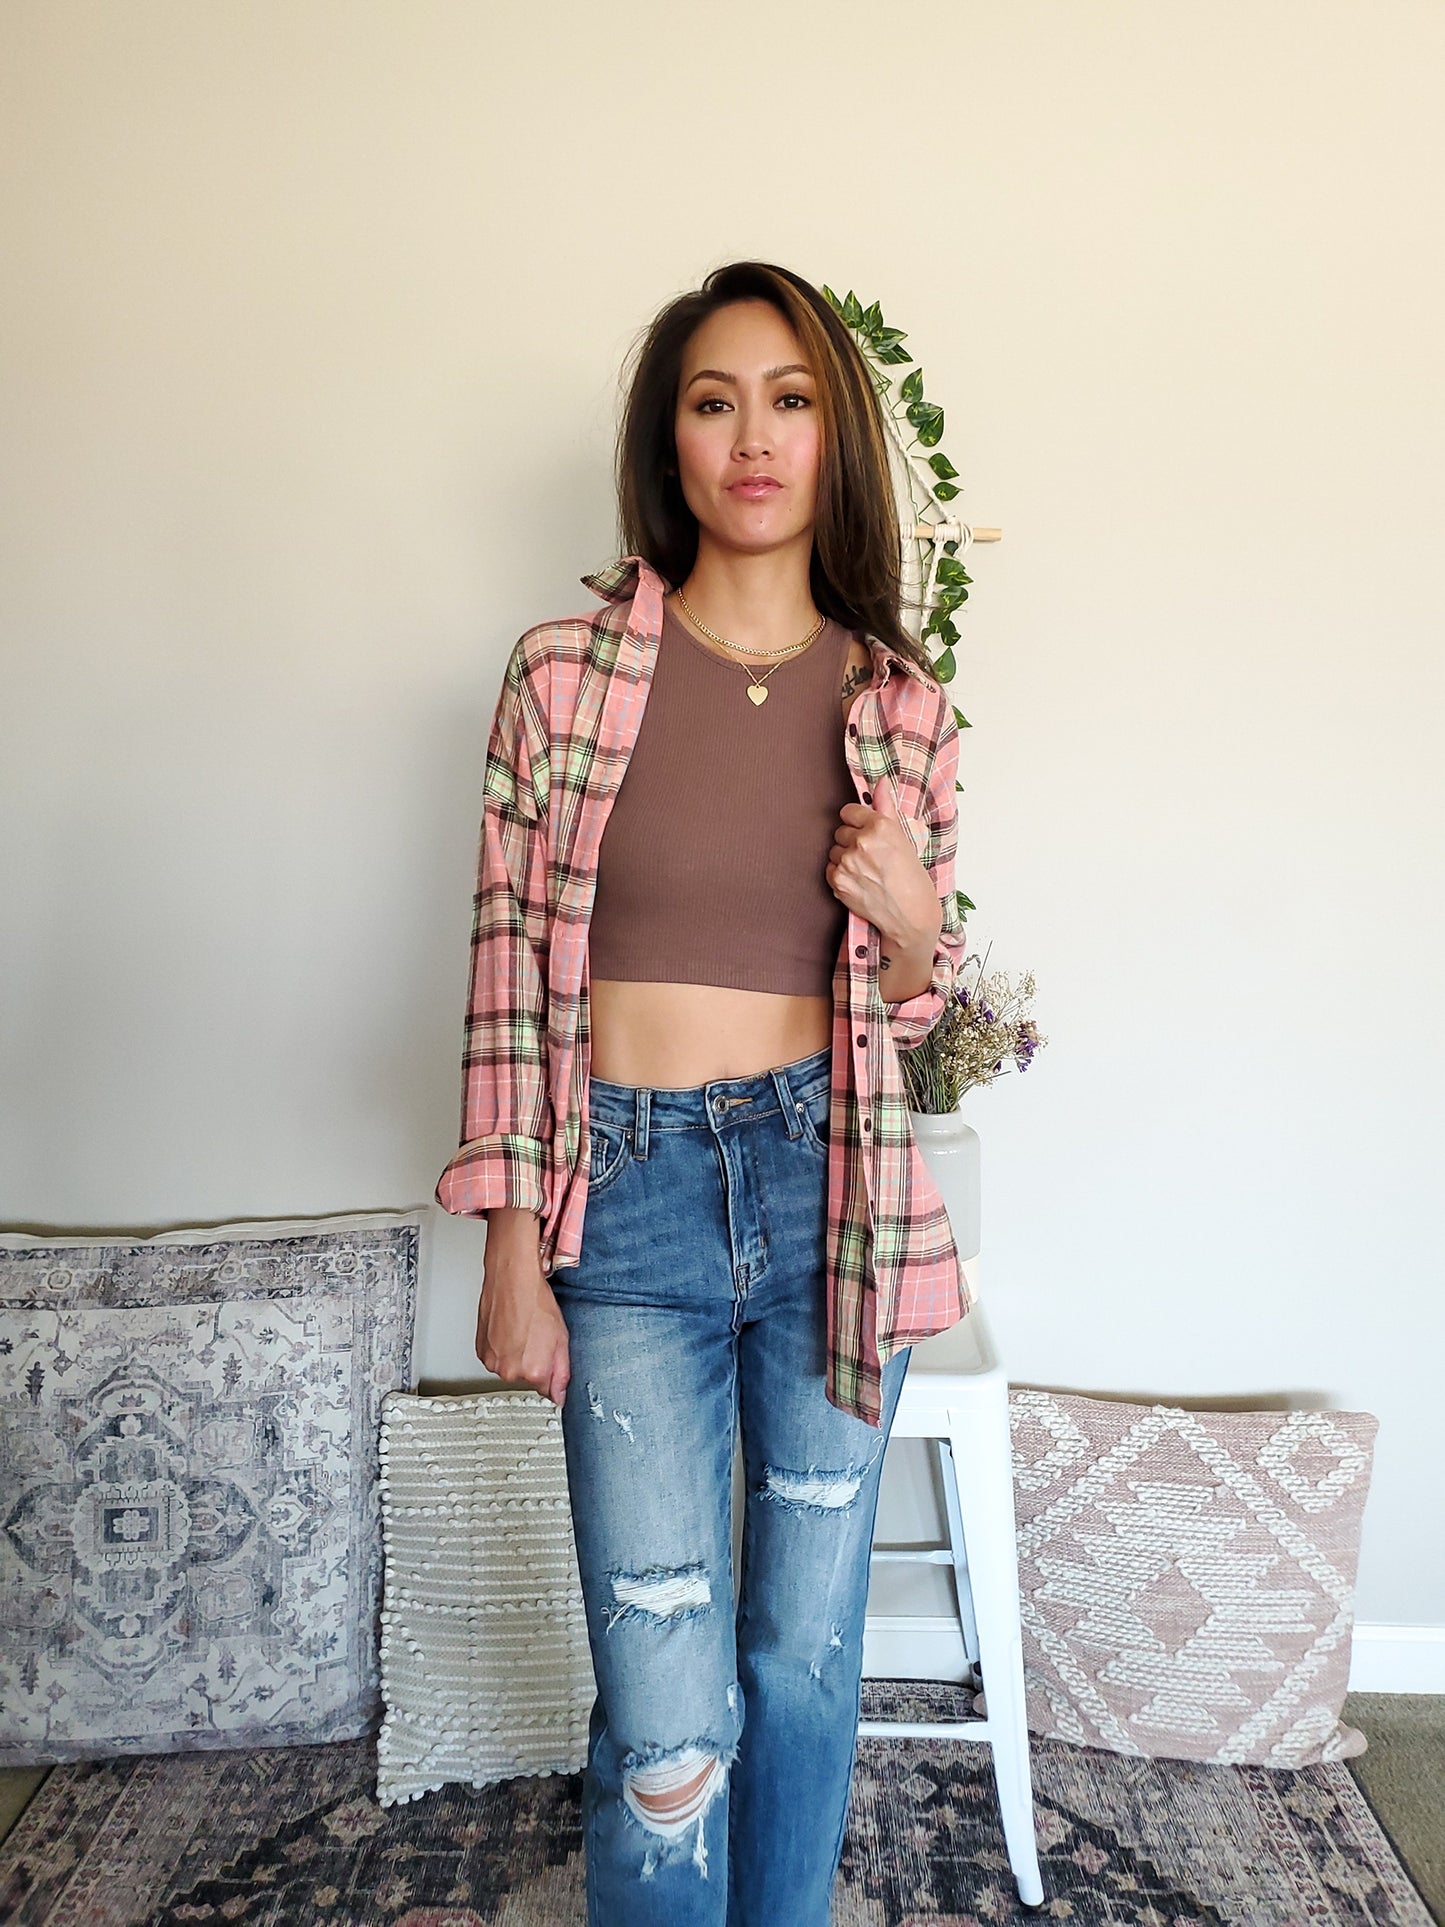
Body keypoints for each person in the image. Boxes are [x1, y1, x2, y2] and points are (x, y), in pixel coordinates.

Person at [435, 259, 973, 1927]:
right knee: (665, 1709)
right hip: (627, 1201)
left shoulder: (901, 707)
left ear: (835, 438)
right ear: (668, 439)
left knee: (804, 1660)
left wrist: (912, 926)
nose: (753, 437)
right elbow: (507, 969)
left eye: (790, 400)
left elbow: (912, 1003)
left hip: (832, 1198)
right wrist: (511, 1248)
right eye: (714, 400)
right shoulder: (560, 677)